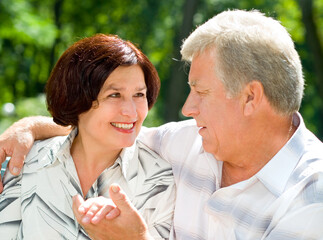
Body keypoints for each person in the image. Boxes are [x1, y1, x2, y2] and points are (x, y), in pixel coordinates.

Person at [1, 9, 323, 240]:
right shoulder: (188, 142)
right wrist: (28, 129)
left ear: (250, 97)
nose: (187, 108)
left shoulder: (311, 201)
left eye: (200, 91)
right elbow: (104, 130)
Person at [0, 34, 175, 239]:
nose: (131, 112)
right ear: (77, 98)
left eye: (139, 95)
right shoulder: (27, 162)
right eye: (114, 95)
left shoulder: (160, 183)